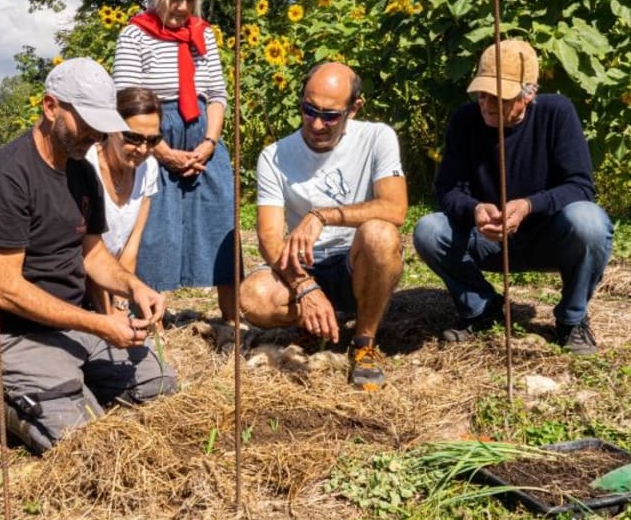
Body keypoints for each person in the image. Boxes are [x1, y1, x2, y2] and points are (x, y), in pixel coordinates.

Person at [0, 58, 176, 454]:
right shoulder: (5, 177)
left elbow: (92, 254)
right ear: (50, 107)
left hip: (69, 325)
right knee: (83, 439)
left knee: (158, 383)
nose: (95, 134)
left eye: (100, 123)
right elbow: (5, 291)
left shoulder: (81, 172)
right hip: (8, 332)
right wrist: (97, 322)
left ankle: (65, 379)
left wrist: (134, 286)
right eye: (85, 121)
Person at [413, 40, 613, 354]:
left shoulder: (556, 113)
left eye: (500, 97)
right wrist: (475, 210)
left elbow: (580, 186)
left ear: (529, 93)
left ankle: (572, 319)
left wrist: (529, 205)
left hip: (548, 237)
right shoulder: (464, 121)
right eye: (482, 94)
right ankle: (482, 308)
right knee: (429, 230)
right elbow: (448, 188)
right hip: (487, 238)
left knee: (589, 223)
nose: (488, 104)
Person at [239, 63, 407, 389]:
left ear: (354, 108)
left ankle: (363, 342)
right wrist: (303, 285)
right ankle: (314, 324)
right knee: (253, 296)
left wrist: (322, 215)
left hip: (354, 259)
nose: (317, 123)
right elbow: (270, 238)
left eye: (330, 115)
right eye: (309, 109)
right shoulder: (274, 156)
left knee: (380, 233)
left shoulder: (377, 137)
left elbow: (395, 208)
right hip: (307, 263)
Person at [113, 0, 236, 321]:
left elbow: (216, 94)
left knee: (221, 221)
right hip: (150, 133)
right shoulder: (134, 36)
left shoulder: (204, 35)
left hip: (201, 133)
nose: (183, 7)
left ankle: (231, 316)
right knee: (153, 229)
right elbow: (128, 100)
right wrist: (160, 150)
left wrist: (209, 143)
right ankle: (148, 312)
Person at [85, 87, 162, 314]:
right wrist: (108, 317)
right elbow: (87, 250)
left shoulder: (149, 168)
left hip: (115, 278)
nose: (143, 149)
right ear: (111, 129)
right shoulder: (86, 166)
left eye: (153, 140)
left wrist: (120, 303)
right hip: (84, 275)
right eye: (133, 138)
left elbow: (131, 245)